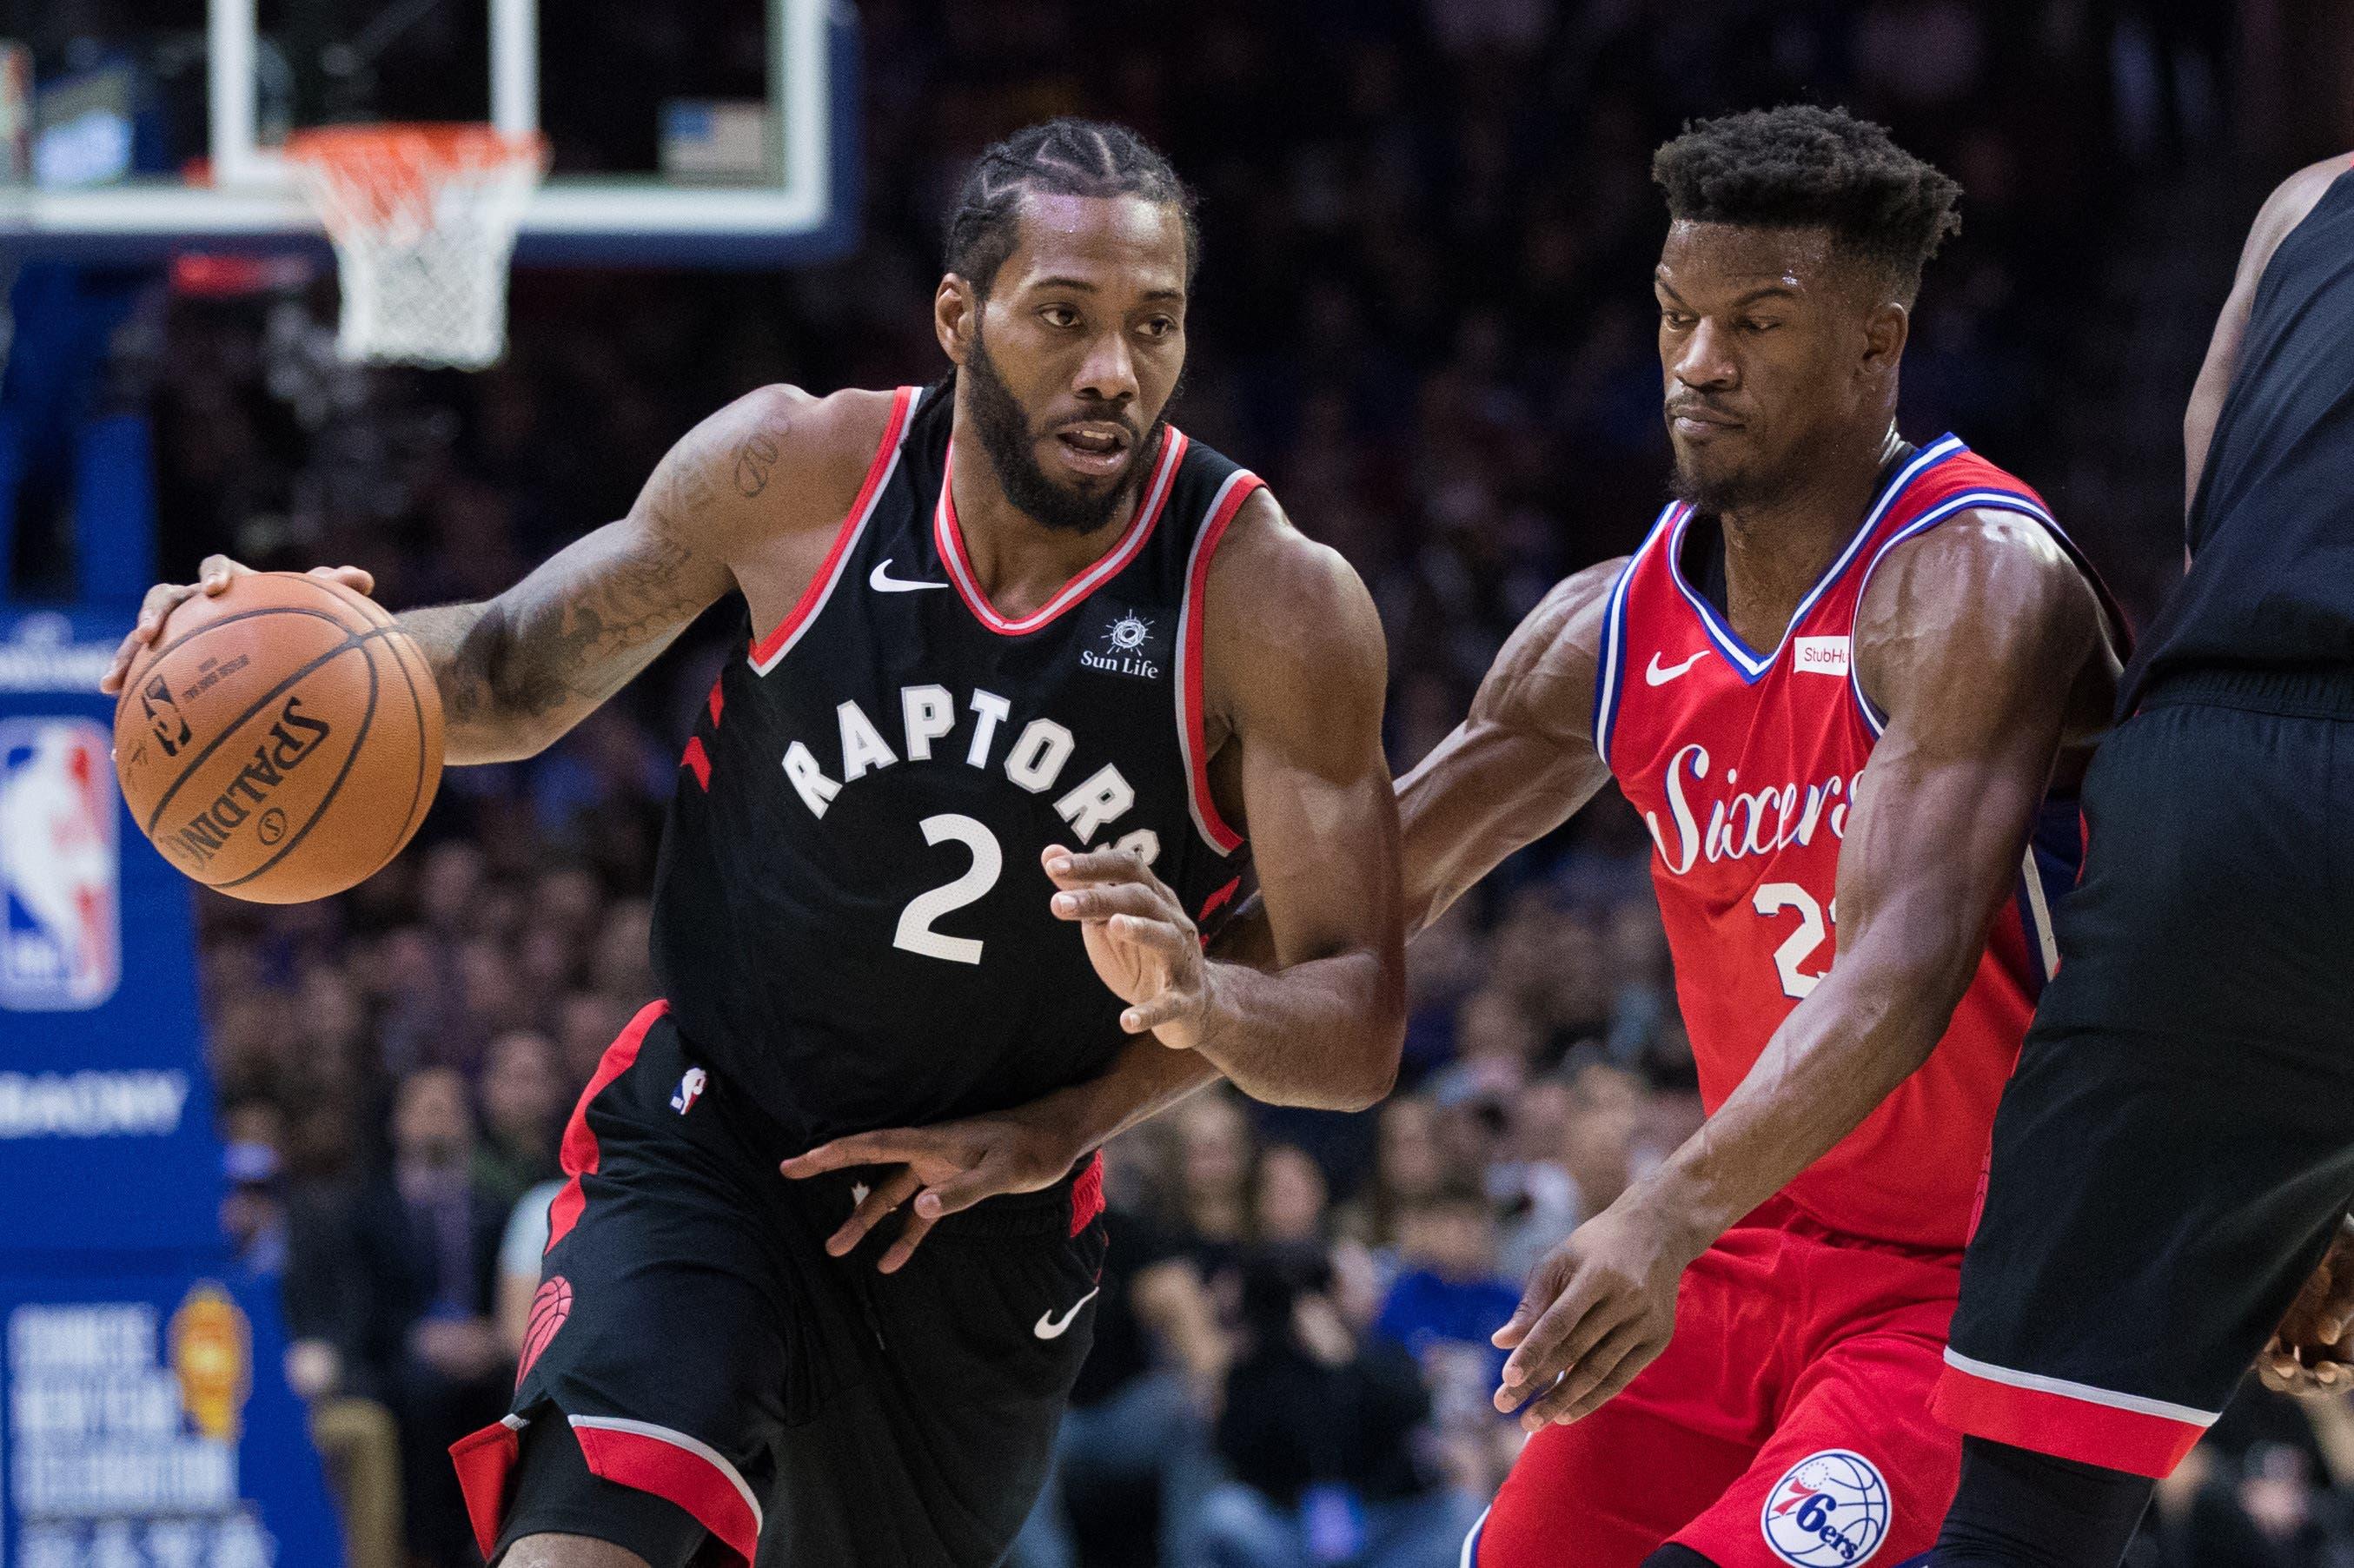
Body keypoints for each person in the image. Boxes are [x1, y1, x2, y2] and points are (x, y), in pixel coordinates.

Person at [103, 118, 1406, 1568]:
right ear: (957, 319)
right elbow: (503, 676)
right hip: (714, 1132)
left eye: (1152, 325)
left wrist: (1186, 1013)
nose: (1114, 369)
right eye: (1064, 317)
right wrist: (302, 647)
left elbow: (1353, 1024)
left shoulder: (1271, 602)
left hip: (978, 1221)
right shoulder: (794, 470)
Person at [1231, 103, 2129, 1565]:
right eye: (1674, 317)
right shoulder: (1609, 623)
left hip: (1964, 1277)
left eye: (1756, 325)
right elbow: (1360, 894)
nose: (1696, 364)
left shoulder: (1976, 582)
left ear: (1872, 344)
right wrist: (1122, 975)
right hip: (1738, 1250)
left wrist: (1655, 1209)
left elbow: (1889, 978)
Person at [1924, 149, 2354, 1565]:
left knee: (2022, 1514)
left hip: (2211, 768)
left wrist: (2276, 1163)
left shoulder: (2308, 201)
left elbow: (2207, 475)